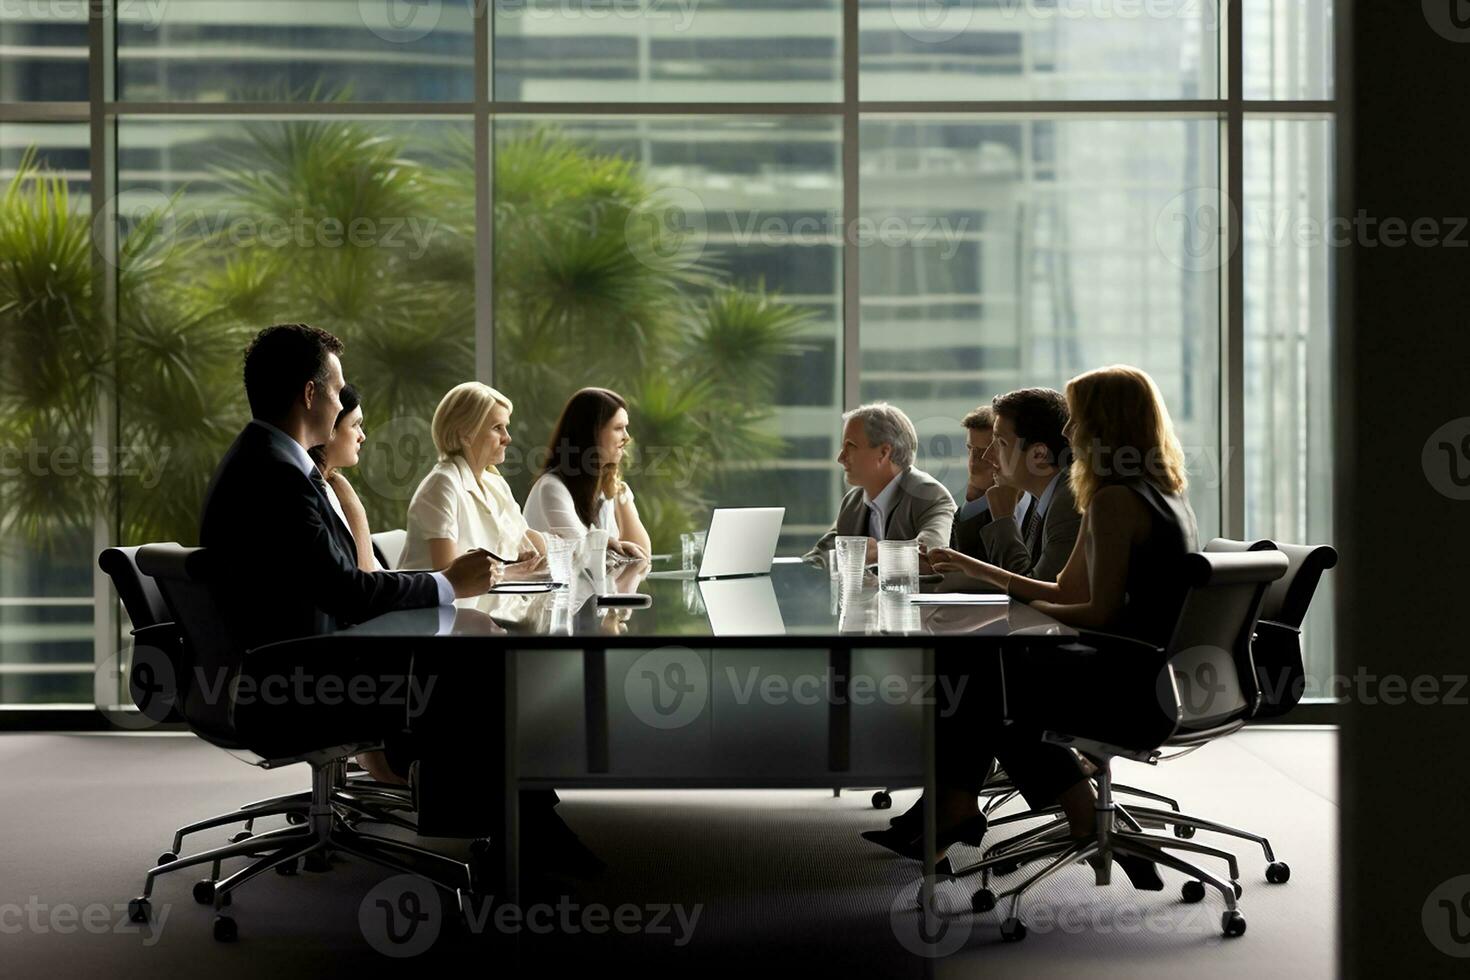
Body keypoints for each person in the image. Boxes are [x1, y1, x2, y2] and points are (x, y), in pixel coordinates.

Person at [869, 365, 1199, 889]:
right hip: (1150, 670)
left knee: (983, 674)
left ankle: (968, 808)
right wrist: (974, 566)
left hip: (1127, 683)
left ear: (1105, 426)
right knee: (984, 668)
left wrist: (1009, 625)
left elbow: (1097, 613)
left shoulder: (1115, 501)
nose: (1067, 434)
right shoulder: (1155, 492)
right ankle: (1052, 812)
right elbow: (1065, 592)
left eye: (1078, 422)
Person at [197, 324, 499, 782]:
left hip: (275, 674)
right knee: (468, 679)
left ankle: (462, 808)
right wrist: (448, 582)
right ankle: (486, 822)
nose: (343, 403)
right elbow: (348, 591)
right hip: (295, 685)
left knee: (456, 669)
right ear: (310, 394)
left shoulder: (264, 461)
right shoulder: (277, 477)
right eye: (337, 390)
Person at [402, 382, 547, 571]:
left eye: (506, 427)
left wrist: (528, 557)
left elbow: (523, 541)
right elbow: (449, 579)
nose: (507, 438)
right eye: (497, 427)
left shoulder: (494, 483)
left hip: (501, 599)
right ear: (465, 433)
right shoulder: (442, 485)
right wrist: (514, 571)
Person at [804, 402, 957, 565]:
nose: (841, 458)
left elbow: (931, 554)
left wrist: (878, 554)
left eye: (851, 447)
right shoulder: (853, 503)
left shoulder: (929, 495)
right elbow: (818, 558)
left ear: (883, 453)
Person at [523, 387, 652, 559]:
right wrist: (612, 546)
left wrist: (621, 495)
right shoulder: (552, 486)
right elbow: (583, 554)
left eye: (626, 427)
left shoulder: (608, 488)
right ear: (592, 433)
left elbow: (643, 557)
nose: (627, 437)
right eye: (618, 428)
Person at [975, 387, 1081, 583]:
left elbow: (1033, 590)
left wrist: (1003, 520)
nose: (987, 455)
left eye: (1001, 443)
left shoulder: (1068, 503)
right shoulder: (1038, 499)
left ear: (1039, 455)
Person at [307, 383, 380, 572]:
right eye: (355, 424)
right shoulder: (314, 493)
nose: (362, 436)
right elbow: (361, 579)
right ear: (330, 428)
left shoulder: (336, 486)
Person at [948, 404, 1002, 561]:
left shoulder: (1025, 506)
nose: (973, 462)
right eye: (970, 449)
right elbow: (961, 563)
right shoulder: (971, 506)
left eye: (983, 452)